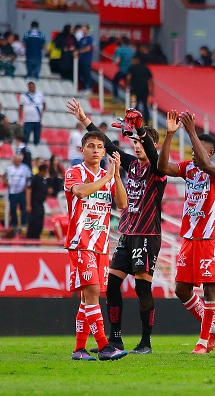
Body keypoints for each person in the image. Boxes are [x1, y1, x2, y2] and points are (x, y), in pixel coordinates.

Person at [67, 100, 167, 354]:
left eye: (140, 142)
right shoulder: (130, 164)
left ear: (150, 145)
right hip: (127, 233)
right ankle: (115, 338)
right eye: (133, 141)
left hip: (147, 233)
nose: (136, 145)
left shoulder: (158, 169)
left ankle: (145, 341)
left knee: (142, 286)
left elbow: (152, 156)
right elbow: (106, 147)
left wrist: (141, 130)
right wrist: (84, 119)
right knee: (111, 285)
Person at [157, 110, 215, 354]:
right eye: (191, 150)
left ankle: (203, 340)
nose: (193, 154)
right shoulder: (189, 169)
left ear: (209, 152)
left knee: (210, 288)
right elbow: (162, 166)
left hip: (211, 239)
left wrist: (191, 131)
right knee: (181, 289)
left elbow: (208, 165)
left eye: (198, 149)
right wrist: (169, 135)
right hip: (189, 238)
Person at [65, 129, 127, 361]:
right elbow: (80, 192)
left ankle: (79, 349)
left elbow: (122, 203)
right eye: (91, 146)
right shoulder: (75, 172)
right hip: (81, 242)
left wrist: (117, 176)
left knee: (87, 298)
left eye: (100, 147)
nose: (96, 150)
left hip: (101, 245)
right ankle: (103, 346)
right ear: (82, 150)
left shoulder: (107, 176)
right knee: (91, 294)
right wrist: (106, 178)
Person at [3, 153, 32, 233]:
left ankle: (23, 224)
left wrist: (26, 186)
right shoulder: (9, 168)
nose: (17, 162)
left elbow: (29, 178)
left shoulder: (25, 168)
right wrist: (6, 182)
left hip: (21, 192)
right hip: (12, 192)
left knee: (23, 208)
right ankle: (14, 224)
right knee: (13, 208)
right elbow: (4, 176)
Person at [25, 163, 51, 239]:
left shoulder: (44, 180)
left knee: (40, 223)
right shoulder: (34, 179)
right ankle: (30, 238)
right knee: (33, 222)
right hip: (34, 204)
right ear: (42, 171)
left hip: (41, 204)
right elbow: (28, 191)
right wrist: (28, 205)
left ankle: (37, 238)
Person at [127, 55, 154, 122]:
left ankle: (133, 119)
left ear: (136, 60)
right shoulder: (146, 68)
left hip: (135, 89)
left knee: (135, 105)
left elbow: (128, 77)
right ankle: (146, 120)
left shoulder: (132, 68)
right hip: (145, 90)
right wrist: (152, 91)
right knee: (145, 106)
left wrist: (127, 85)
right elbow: (150, 80)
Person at [18, 81, 46, 146]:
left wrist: (41, 113)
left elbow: (44, 105)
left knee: (37, 138)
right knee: (26, 137)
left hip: (37, 120)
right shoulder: (24, 96)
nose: (31, 88)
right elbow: (20, 107)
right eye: (30, 87)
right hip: (28, 120)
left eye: (32, 87)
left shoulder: (40, 95)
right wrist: (20, 118)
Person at [112, 36, 134, 103]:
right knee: (129, 85)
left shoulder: (119, 50)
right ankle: (129, 98)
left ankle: (116, 97)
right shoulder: (132, 51)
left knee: (114, 82)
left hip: (122, 70)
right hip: (130, 72)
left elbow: (117, 61)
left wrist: (115, 61)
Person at [77, 25, 94, 94]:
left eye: (84, 29)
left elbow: (88, 48)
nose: (83, 31)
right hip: (81, 59)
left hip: (87, 59)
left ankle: (89, 88)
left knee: (87, 73)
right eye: (82, 29)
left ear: (88, 30)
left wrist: (80, 51)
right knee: (82, 74)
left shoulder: (90, 38)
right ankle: (84, 87)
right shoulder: (81, 39)